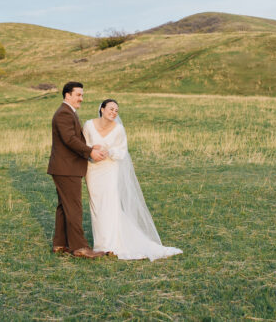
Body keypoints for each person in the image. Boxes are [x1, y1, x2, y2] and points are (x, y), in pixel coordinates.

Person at [82, 98, 182, 261]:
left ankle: (109, 244)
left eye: (116, 111)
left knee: (110, 204)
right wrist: (92, 151)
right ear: (102, 109)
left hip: (110, 168)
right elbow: (83, 144)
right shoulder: (88, 125)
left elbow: (122, 151)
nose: (113, 112)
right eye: (111, 109)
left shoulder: (119, 129)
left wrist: (109, 151)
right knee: (96, 205)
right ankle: (100, 242)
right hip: (93, 169)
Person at [47, 81, 110, 258]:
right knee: (74, 208)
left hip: (64, 167)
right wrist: (89, 151)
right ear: (67, 95)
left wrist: (90, 146)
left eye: (82, 95)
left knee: (64, 206)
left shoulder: (67, 112)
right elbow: (69, 140)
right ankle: (80, 248)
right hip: (66, 168)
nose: (81, 98)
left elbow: (73, 139)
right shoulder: (64, 114)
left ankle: (59, 244)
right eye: (78, 95)